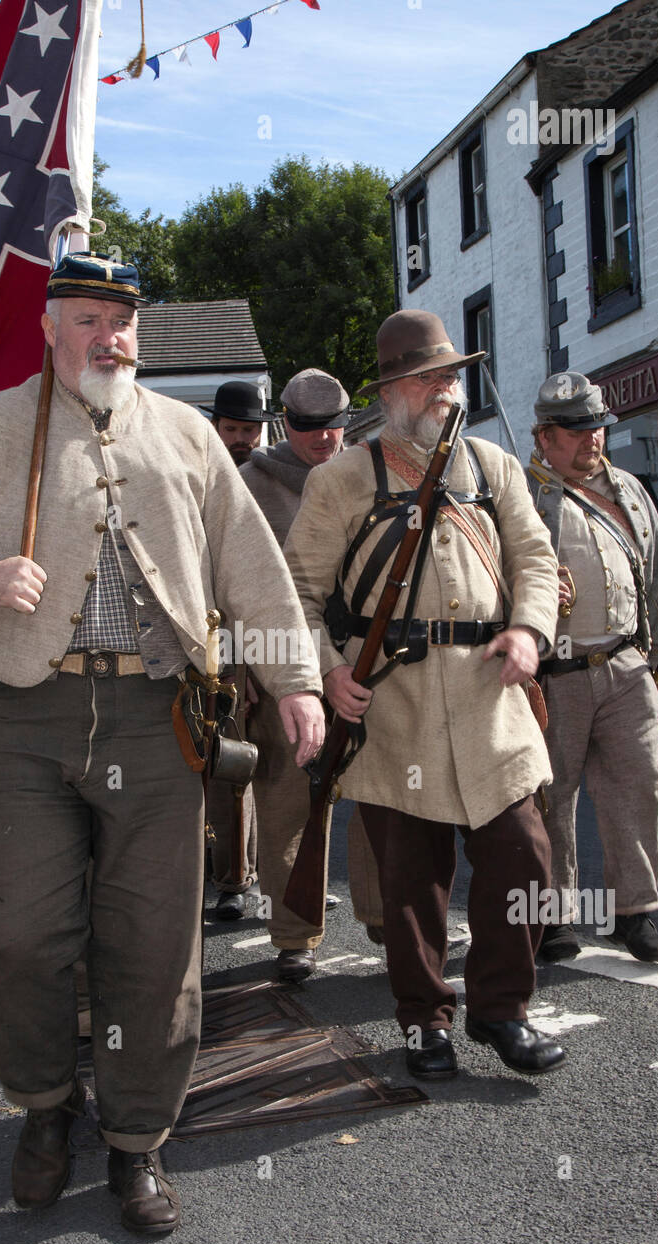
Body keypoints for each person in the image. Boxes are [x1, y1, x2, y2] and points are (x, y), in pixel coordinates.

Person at [0, 252, 324, 1237]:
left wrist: (292, 679)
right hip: (21, 716)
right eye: (86, 319)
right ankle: (42, 1104)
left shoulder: (188, 434)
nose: (108, 336)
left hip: (160, 720)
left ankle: (136, 1139)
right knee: (12, 934)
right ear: (48, 327)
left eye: (122, 320)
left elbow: (250, 562)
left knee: (155, 945)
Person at [284, 310, 565, 1079]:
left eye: (451, 374)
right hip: (392, 705)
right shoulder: (341, 477)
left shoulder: (494, 467)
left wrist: (531, 632)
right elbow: (298, 594)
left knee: (525, 859)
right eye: (429, 377)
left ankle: (503, 1010)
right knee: (410, 886)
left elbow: (536, 560)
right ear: (393, 389)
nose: (445, 389)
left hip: (491, 702)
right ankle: (425, 1024)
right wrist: (325, 670)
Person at [527, 372, 658, 964]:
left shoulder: (632, 492)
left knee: (640, 788)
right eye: (576, 429)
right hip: (552, 674)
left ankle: (635, 913)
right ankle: (554, 917)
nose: (592, 438)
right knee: (550, 798)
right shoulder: (521, 497)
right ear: (544, 437)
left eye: (597, 426)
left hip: (627, 665)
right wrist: (533, 588)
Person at [239, 368, 351, 980]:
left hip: (363, 657)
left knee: (387, 795)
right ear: (285, 423)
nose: (324, 439)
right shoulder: (251, 483)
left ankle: (393, 920)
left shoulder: (363, 473)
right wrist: (244, 665)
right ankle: (293, 935)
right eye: (310, 427)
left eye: (334, 426)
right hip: (281, 655)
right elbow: (226, 578)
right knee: (286, 797)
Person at [206, 380, 276, 918]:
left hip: (278, 638)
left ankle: (282, 875)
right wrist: (233, 662)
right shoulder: (201, 478)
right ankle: (234, 880)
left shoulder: (275, 478)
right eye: (232, 429)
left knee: (288, 767)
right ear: (216, 426)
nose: (242, 439)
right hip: (220, 643)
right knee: (228, 765)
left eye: (250, 430)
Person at [210, 379, 274, 467]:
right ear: (215, 427)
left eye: (248, 430)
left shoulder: (275, 476)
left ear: (260, 429)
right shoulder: (200, 476)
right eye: (230, 429)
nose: (239, 439)